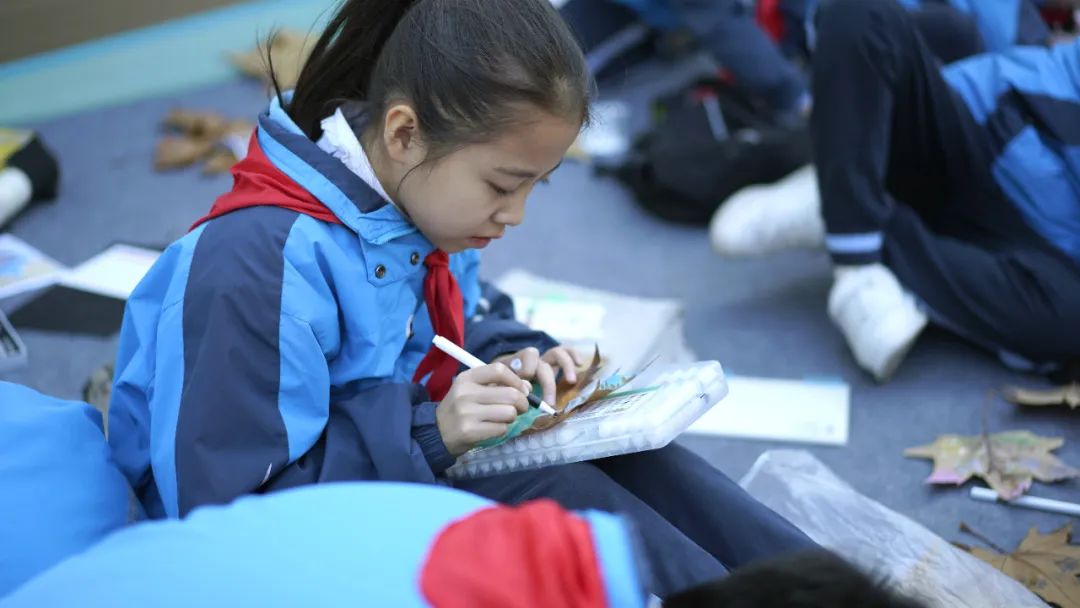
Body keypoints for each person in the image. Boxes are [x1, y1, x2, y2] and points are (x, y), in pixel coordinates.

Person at [107, 0, 815, 597]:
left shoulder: (410, 205)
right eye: (503, 185)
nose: (517, 215)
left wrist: (523, 358)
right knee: (565, 510)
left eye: (537, 186)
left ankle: (822, 588)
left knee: (644, 459)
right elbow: (232, 509)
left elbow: (453, 324)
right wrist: (430, 434)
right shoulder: (256, 270)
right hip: (280, 541)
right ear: (404, 132)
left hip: (386, 456)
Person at [710, 0, 1080, 381]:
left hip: (1038, 240)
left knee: (1068, 324)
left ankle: (847, 209)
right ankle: (857, 259)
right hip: (978, 139)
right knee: (860, 15)